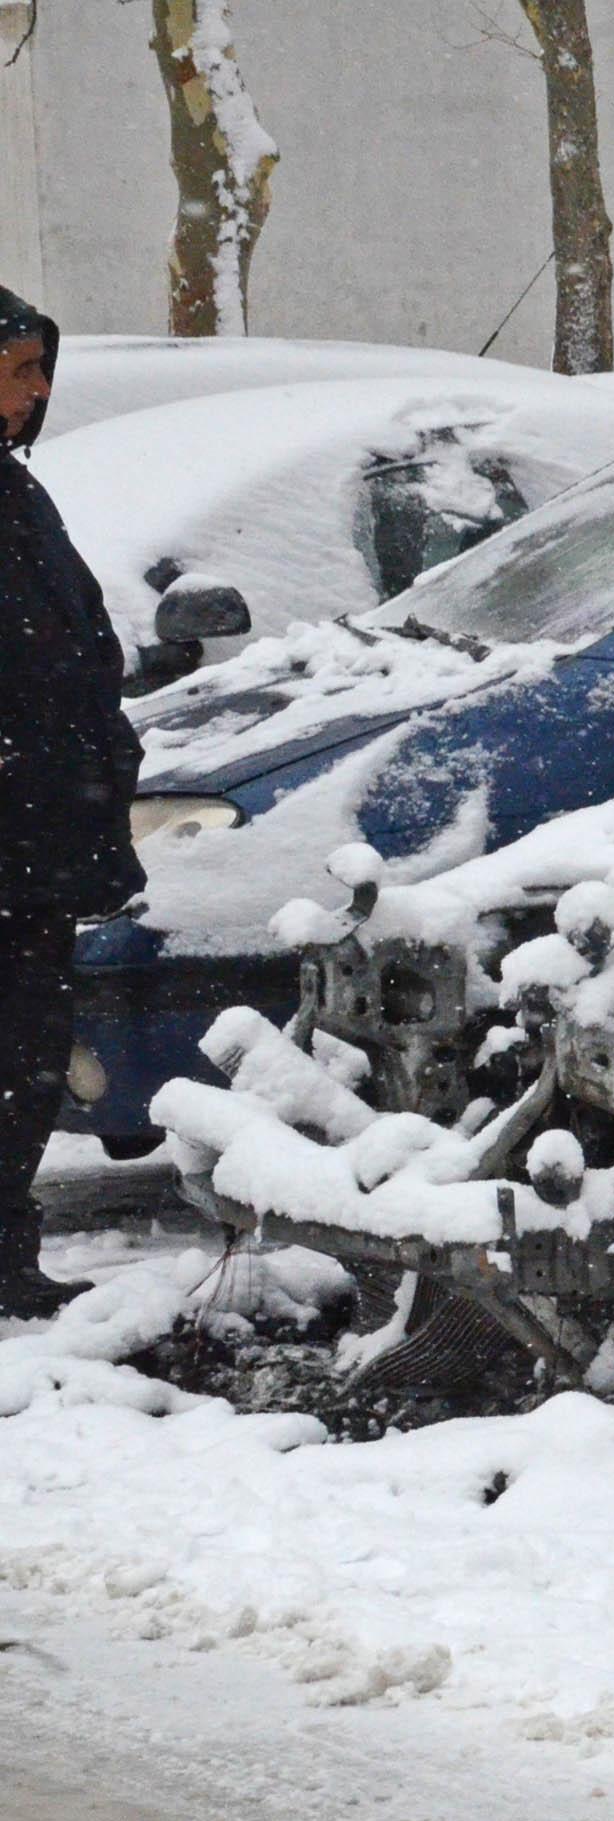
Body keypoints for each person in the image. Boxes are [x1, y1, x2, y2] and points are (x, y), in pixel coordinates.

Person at [0, 287, 141, 1318]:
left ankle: (7, 1263)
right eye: (16, 369)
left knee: (24, 1065)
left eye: (39, 367)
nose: (39, 389)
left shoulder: (14, 492)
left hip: (31, 853)